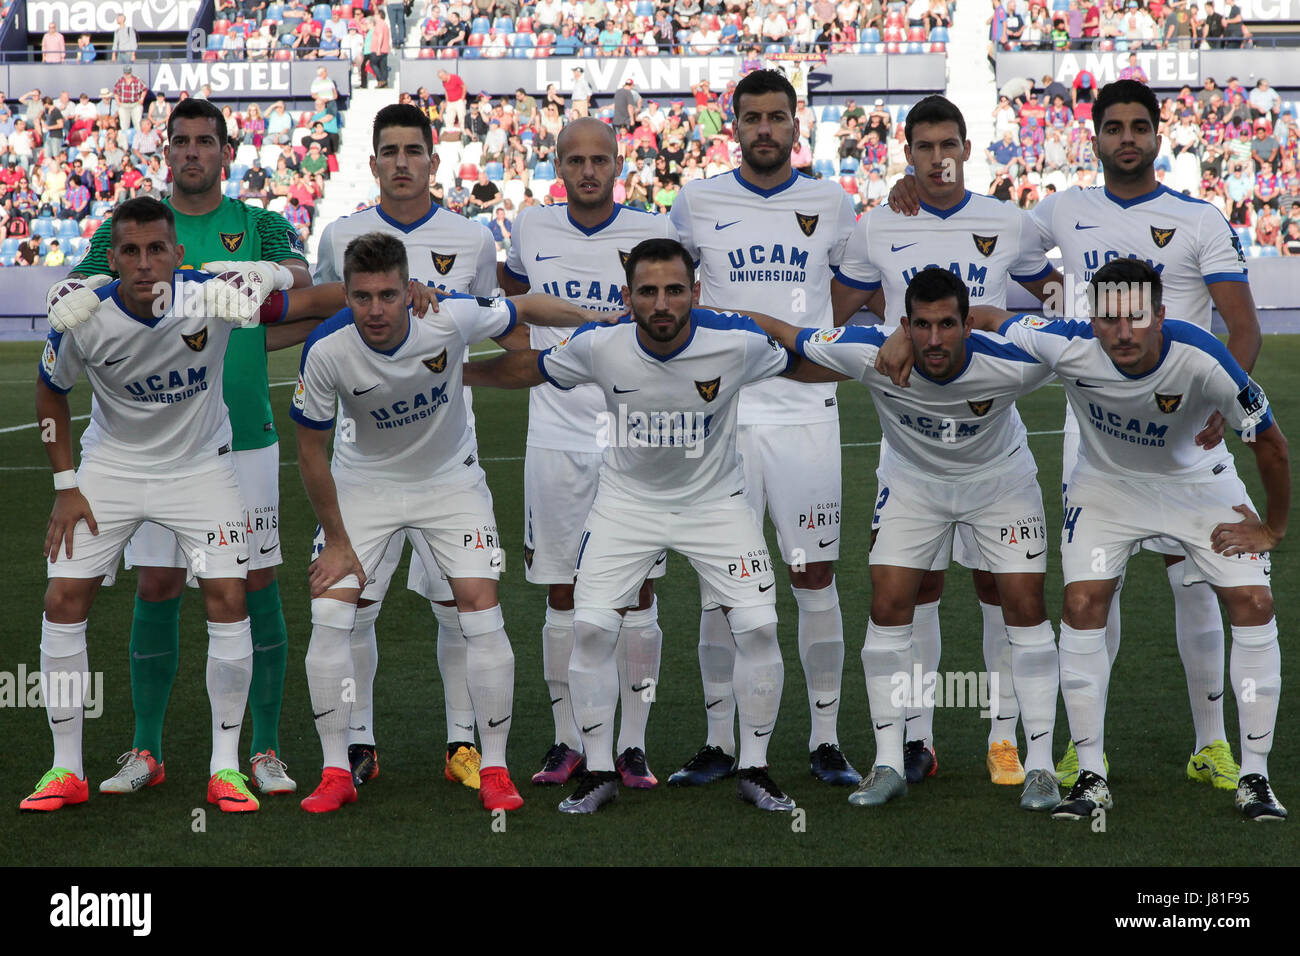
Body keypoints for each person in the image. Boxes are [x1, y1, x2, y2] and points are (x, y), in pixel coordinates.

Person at [887, 80, 1262, 793]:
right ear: (1093, 139)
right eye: (1113, 126)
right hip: (1094, 430)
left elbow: (1241, 325)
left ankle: (1211, 745)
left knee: (1194, 584)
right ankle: (1084, 751)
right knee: (1095, 589)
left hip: (1182, 434)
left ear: (1159, 135)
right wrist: (917, 182)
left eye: (1139, 126)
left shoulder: (1201, 218)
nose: (1127, 137)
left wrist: (1228, 399)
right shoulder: (1061, 211)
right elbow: (976, 228)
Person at [466, 237, 820, 814]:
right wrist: (456, 374)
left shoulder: (735, 344)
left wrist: (882, 361)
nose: (662, 303)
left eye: (674, 290)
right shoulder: (599, 346)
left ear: (695, 293)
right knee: (592, 631)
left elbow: (804, 361)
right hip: (625, 505)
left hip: (717, 504)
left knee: (757, 628)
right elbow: (531, 367)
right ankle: (600, 769)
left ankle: (754, 768)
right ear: (627, 297)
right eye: (648, 291)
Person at [52, 98, 314, 799]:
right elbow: (79, 291)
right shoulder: (136, 230)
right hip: (146, 447)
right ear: (165, 152)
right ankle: (146, 747)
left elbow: (306, 280)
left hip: (244, 435)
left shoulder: (259, 223)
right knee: (157, 584)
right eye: (181, 142)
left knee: (253, 586)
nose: (193, 152)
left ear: (226, 152)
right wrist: (70, 290)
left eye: (206, 141)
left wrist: (270, 276)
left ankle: (263, 749)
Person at [971, 259, 1288, 822]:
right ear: (1090, 319)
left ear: (1161, 315)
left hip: (1196, 483)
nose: (1122, 332)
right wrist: (904, 335)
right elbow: (990, 317)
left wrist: (1272, 529)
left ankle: (1256, 775)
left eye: (1136, 318)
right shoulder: (1066, 342)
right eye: (1109, 318)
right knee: (1082, 602)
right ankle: (1091, 773)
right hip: (1107, 488)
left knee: (1254, 601)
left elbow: (1271, 444)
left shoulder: (1203, 356)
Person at [292, 231, 587, 813]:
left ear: (410, 291)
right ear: (345, 295)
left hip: (450, 482)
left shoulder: (447, 317)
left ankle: (494, 767)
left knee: (479, 608)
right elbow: (309, 453)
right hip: (364, 485)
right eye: (361, 297)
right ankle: (335, 771)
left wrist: (604, 317)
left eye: (387, 295)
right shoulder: (325, 349)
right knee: (331, 613)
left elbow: (527, 307)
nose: (375, 310)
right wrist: (339, 543)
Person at [761, 267, 1063, 809]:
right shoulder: (867, 352)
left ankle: (1039, 766)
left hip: (999, 485)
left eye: (947, 324)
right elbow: (787, 334)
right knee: (888, 603)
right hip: (912, 486)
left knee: (1025, 606)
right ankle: (887, 762)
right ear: (903, 325)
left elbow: (1084, 347)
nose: (933, 339)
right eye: (920, 326)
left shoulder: (1013, 360)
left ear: (968, 324)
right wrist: (703, 322)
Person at [832, 96, 1060, 786]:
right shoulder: (879, 224)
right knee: (916, 587)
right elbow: (840, 311)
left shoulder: (1007, 221)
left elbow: (1058, 301)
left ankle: (1002, 736)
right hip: (911, 438)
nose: (938, 158)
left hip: (989, 426)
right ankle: (916, 738)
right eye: (924, 146)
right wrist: (896, 327)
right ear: (906, 152)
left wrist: (994, 318)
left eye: (948, 144)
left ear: (966, 147)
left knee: (1000, 588)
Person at [667, 69, 861, 787]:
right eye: (753, 118)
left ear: (794, 124)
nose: (766, 130)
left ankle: (825, 738)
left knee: (812, 577)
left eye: (777, 117)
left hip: (806, 415)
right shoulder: (696, 202)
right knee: (721, 585)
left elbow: (852, 294)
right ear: (736, 126)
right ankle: (720, 741)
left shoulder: (831, 201)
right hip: (723, 420)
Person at [312, 104, 499, 791]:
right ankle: (358, 741)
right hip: (364, 462)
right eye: (387, 150)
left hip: (448, 457)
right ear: (372, 163)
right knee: (354, 605)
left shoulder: (472, 238)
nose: (400, 162)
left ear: (433, 160)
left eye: (412, 150)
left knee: (458, 601)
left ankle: (461, 742)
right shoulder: (340, 234)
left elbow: (490, 322)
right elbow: (318, 319)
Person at [499, 118, 677, 788]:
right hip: (553, 435)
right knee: (562, 590)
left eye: (599, 159)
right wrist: (531, 362)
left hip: (633, 438)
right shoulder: (531, 227)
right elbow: (516, 309)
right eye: (574, 160)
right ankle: (567, 739)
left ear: (618, 163)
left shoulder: (652, 233)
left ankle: (632, 744)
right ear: (558, 165)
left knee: (637, 590)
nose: (588, 171)